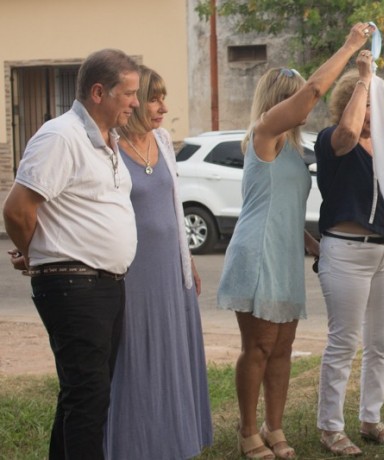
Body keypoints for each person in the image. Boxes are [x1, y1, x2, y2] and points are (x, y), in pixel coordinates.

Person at [217, 22, 374, 460]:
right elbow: (310, 100)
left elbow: (278, 201)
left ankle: (275, 426)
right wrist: (349, 46)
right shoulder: (265, 132)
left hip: (285, 253)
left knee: (283, 349)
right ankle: (248, 430)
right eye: (295, 94)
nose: (304, 102)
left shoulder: (293, 150)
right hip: (257, 253)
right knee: (259, 347)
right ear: (276, 100)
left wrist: (309, 240)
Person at [2, 49, 139, 460]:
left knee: (83, 394)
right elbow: (16, 208)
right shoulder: (60, 136)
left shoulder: (108, 141)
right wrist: (38, 254)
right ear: (99, 92)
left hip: (103, 284)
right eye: (129, 93)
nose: (135, 102)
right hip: (74, 284)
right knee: (89, 398)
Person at [103, 65, 213, 459]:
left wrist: (190, 261)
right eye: (154, 98)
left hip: (172, 270)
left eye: (162, 97)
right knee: (135, 360)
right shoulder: (109, 146)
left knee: (172, 357)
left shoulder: (164, 140)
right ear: (131, 103)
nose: (162, 107)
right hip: (132, 273)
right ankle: (135, 447)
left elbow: (173, 206)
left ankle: (174, 444)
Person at [314, 53, 384, 457]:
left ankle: (371, 418)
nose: (370, 111)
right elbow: (349, 135)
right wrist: (364, 78)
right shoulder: (332, 138)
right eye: (364, 102)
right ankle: (330, 427)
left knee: (381, 341)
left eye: (374, 103)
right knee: (344, 342)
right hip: (346, 251)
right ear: (346, 103)